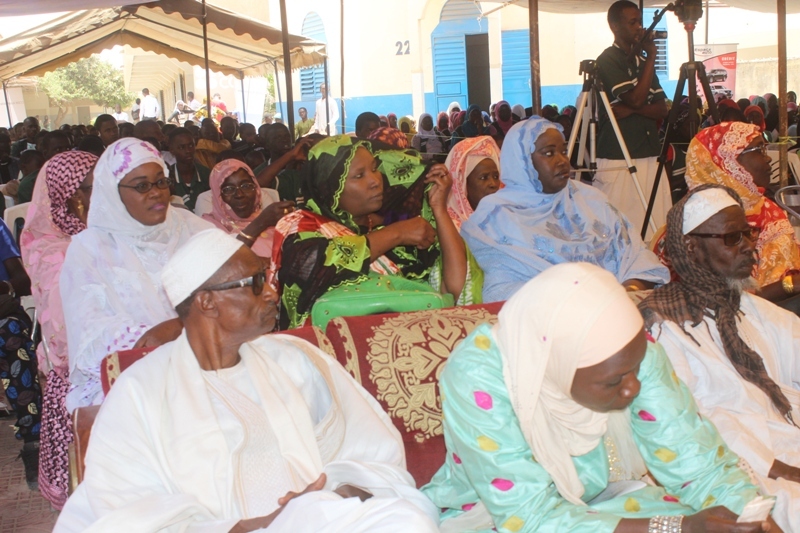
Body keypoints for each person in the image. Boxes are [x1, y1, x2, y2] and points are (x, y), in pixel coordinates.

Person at [54, 228, 439, 532]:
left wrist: (336, 493)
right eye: (255, 283)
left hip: (312, 521)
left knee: (408, 521)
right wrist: (250, 526)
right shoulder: (141, 390)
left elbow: (370, 453)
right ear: (207, 301)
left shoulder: (294, 359)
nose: (272, 292)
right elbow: (128, 509)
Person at [422, 261, 781, 532]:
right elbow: (530, 518)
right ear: (558, 366)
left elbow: (699, 465)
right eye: (612, 383)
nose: (632, 389)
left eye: (636, 370)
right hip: (502, 519)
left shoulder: (634, 354)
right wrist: (677, 528)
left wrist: (752, 516)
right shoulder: (479, 378)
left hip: (606, 503)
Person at [640, 185, 800, 532]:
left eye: (748, 233)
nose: (747, 245)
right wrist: (778, 466)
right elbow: (688, 418)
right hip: (730, 461)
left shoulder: (750, 307)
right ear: (691, 248)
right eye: (731, 238)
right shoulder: (663, 324)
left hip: (787, 433)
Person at [59, 138, 211, 412]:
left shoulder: (192, 229)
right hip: (132, 382)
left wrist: (183, 326)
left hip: (208, 363)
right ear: (112, 192)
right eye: (142, 186)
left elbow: (234, 291)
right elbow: (92, 330)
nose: (156, 193)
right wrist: (162, 336)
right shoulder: (90, 249)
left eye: (161, 182)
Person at [270, 135, 478, 329]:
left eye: (375, 168)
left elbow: (456, 287)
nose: (375, 181)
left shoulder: (391, 227)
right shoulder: (302, 227)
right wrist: (396, 234)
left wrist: (439, 209)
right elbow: (314, 264)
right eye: (359, 175)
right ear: (329, 187)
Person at [461, 118, 669, 303]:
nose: (562, 160)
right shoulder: (495, 217)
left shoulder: (590, 199)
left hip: (622, 310)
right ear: (521, 161)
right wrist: (579, 305)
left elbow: (638, 258)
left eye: (563, 151)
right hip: (554, 327)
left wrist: (629, 292)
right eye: (548, 153)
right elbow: (501, 291)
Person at [20, 151, 96, 508]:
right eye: (91, 189)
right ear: (67, 196)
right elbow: (67, 340)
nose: (104, 196)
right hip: (83, 381)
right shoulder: (53, 252)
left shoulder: (108, 236)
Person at [683, 122, 800, 296]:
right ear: (726, 162)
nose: (768, 158)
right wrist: (787, 286)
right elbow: (720, 301)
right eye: (758, 150)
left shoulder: (765, 208)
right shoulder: (697, 222)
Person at [595, 0, 671, 238]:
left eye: (640, 21)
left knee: (655, 228)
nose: (640, 27)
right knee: (620, 230)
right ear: (614, 26)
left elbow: (662, 109)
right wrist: (652, 58)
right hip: (619, 155)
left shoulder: (641, 63)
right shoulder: (608, 59)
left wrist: (634, 110)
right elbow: (637, 99)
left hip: (649, 153)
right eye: (633, 22)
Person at [202, 159, 294, 258]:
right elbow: (225, 262)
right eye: (228, 189)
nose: (239, 194)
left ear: (256, 189)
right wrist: (260, 223)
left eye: (246, 186)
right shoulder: (208, 227)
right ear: (218, 195)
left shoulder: (273, 220)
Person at [444, 136, 502, 230]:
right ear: (462, 183)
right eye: (483, 178)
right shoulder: (449, 228)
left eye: (496, 177)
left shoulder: (506, 218)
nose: (493, 184)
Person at [166, 127, 210, 211]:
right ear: (172, 150)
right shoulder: (168, 177)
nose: (188, 151)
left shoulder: (206, 174)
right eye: (181, 147)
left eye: (191, 145)